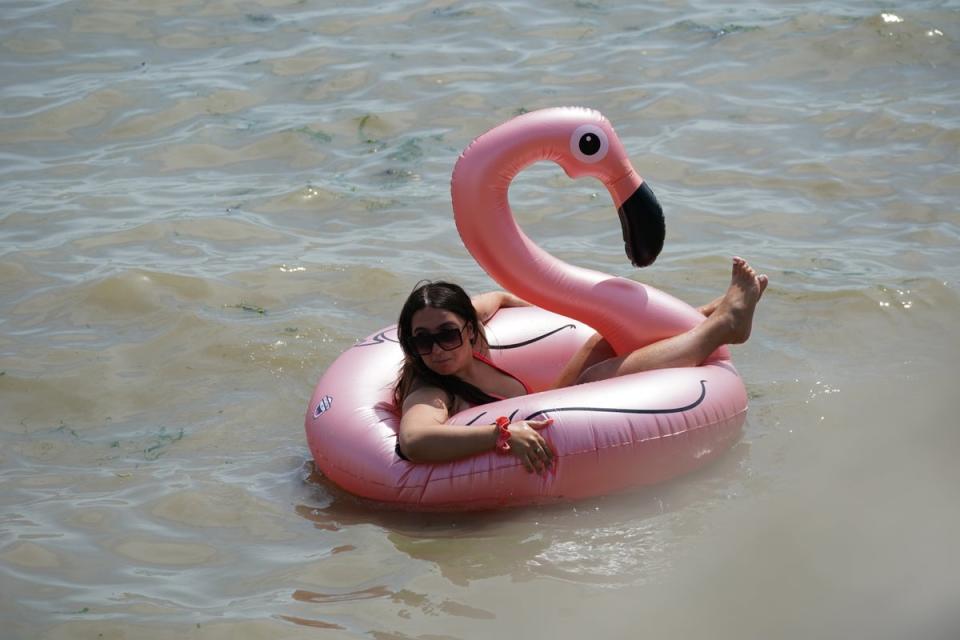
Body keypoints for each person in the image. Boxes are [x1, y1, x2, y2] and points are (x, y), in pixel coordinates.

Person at [394, 257, 768, 474]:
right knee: (595, 377)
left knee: (599, 340)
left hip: (549, 398)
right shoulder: (433, 388)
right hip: (552, 424)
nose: (437, 348)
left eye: (447, 333)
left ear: (471, 328)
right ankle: (720, 327)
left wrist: (538, 309)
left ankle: (700, 315)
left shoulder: (471, 347)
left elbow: (497, 297)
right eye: (422, 340)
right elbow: (414, 440)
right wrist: (500, 435)